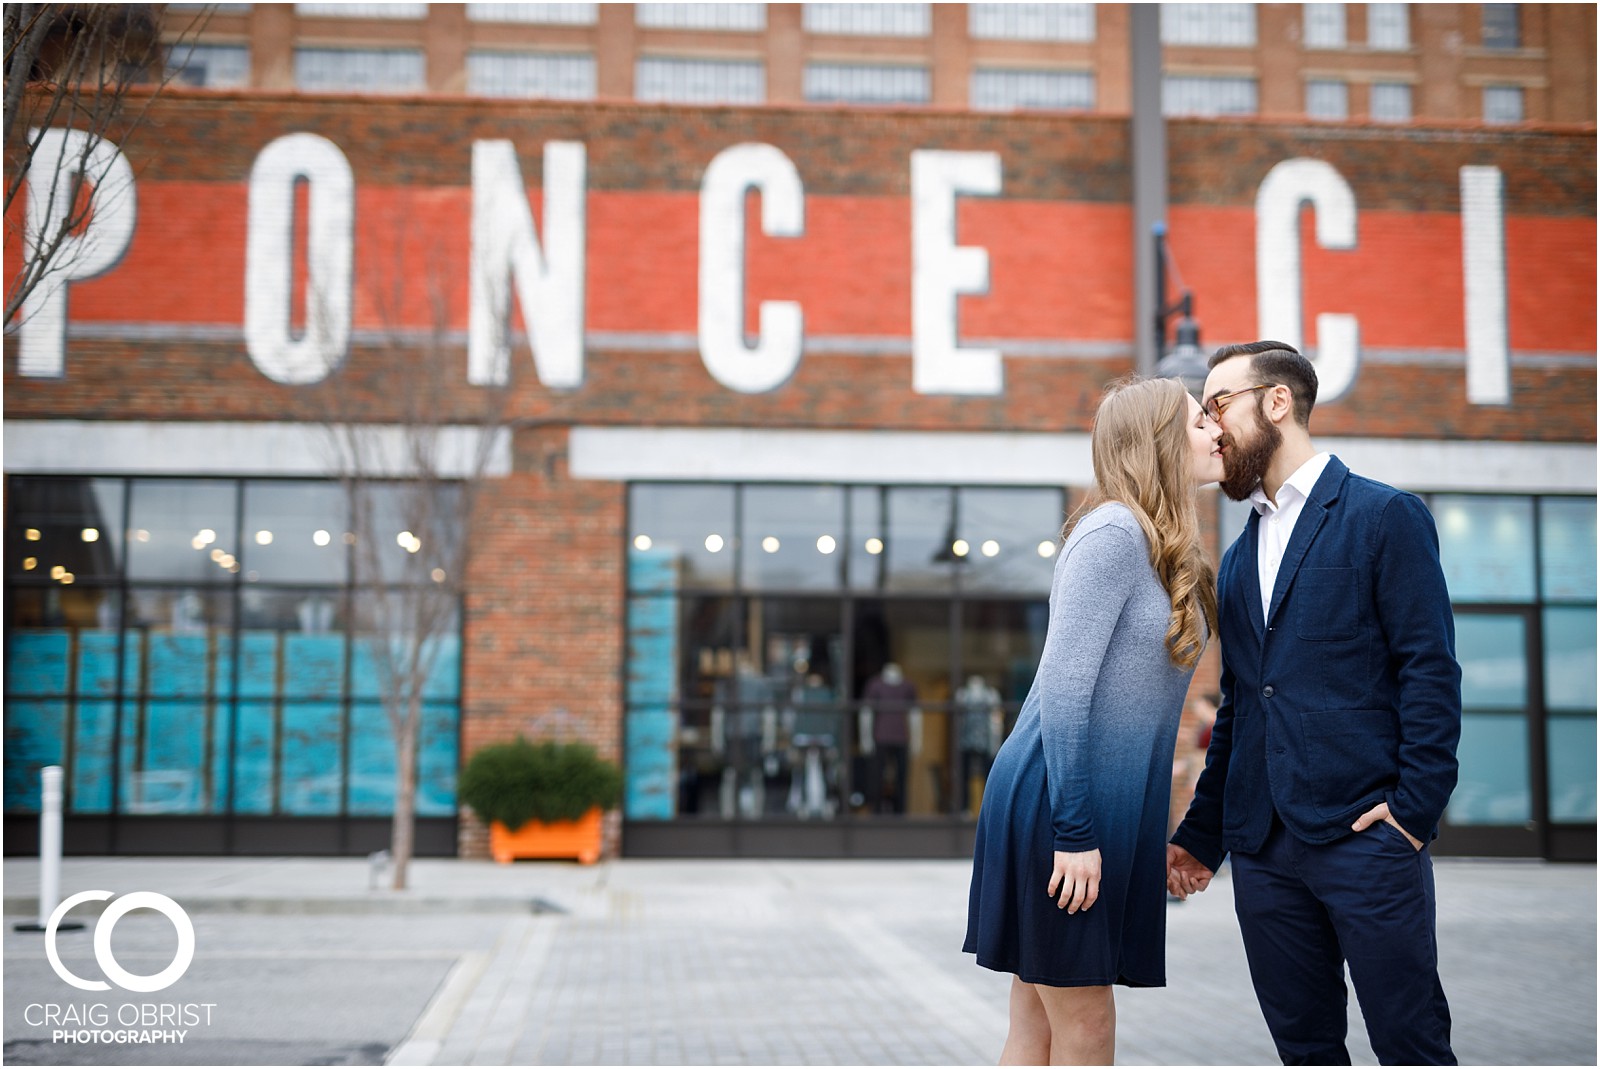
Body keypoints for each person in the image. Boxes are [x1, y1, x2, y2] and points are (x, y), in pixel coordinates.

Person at [1167, 341, 1462, 1066]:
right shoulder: (1238, 553)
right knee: (1303, 1047)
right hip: (1264, 851)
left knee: (1411, 1041)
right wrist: (1202, 836)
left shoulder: (1385, 516)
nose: (1210, 426)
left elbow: (1429, 670)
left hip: (1368, 837)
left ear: (1277, 402)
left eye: (1218, 404)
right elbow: (1241, 702)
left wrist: (1413, 811)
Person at [964, 376, 1224, 1065]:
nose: (1217, 433)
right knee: (1087, 1025)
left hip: (1097, 812)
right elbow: (1066, 689)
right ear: (1161, 441)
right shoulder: (1111, 533)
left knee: (1039, 1022)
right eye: (1201, 422)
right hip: (1061, 809)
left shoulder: (1166, 550)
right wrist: (1075, 829)